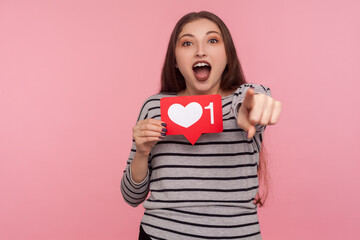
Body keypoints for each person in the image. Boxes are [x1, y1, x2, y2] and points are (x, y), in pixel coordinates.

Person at [121, 11, 282, 240]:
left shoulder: (243, 99)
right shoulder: (155, 107)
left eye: (213, 40)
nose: (200, 50)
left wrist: (252, 110)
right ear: (175, 61)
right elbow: (131, 197)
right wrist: (141, 152)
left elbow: (251, 101)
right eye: (187, 43)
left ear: (228, 55)